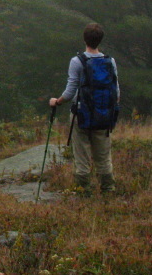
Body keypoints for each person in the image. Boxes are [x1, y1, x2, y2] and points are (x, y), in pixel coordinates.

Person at [49, 22, 119, 193]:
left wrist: (57, 101)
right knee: (103, 157)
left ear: (84, 39)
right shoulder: (110, 61)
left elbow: (71, 90)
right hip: (103, 116)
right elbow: (116, 92)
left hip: (81, 115)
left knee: (82, 156)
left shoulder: (77, 61)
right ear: (100, 40)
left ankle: (83, 191)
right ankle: (108, 189)